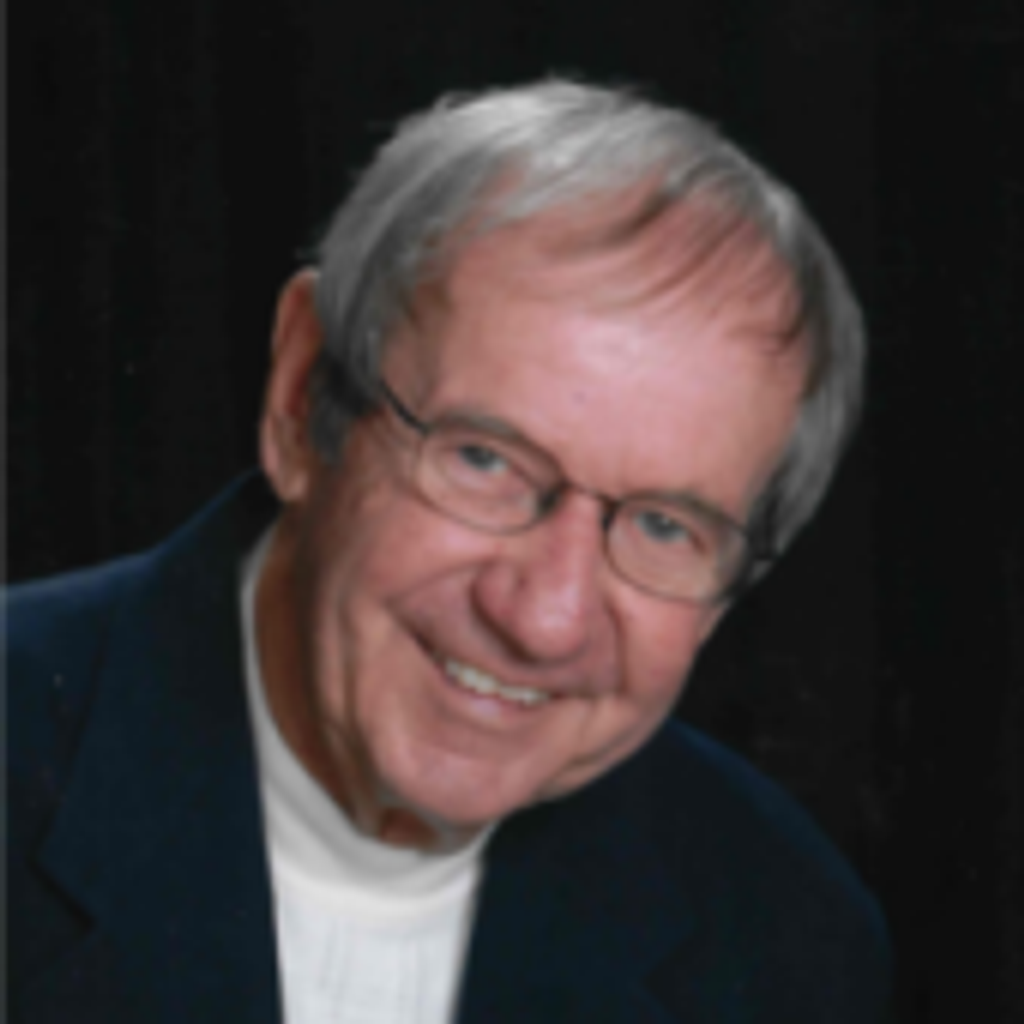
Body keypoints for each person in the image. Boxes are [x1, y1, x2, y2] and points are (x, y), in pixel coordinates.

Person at [1, 80, 891, 1022]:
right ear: (303, 397)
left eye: (665, 527)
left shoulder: (787, 935)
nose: (545, 620)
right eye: (484, 460)